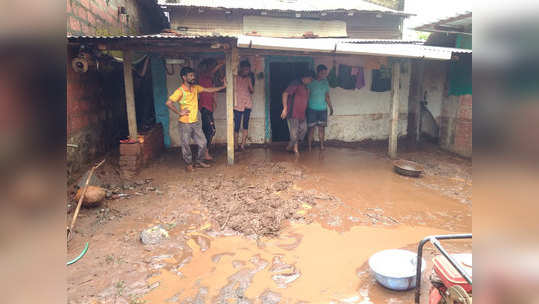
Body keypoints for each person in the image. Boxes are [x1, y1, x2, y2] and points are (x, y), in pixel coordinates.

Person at [166, 67, 226, 172]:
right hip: (185, 123)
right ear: (184, 77)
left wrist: (223, 87)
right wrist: (179, 112)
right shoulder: (180, 91)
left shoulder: (195, 88)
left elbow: (209, 90)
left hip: (195, 122)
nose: (193, 77)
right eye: (191, 75)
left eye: (193, 75)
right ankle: (188, 164)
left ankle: (199, 161)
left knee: (203, 143)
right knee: (186, 145)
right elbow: (168, 103)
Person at [280, 70, 314, 155]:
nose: (311, 81)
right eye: (310, 79)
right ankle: (295, 149)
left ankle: (289, 146)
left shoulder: (306, 87)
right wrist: (285, 108)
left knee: (304, 130)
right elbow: (285, 94)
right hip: (293, 113)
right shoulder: (295, 83)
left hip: (302, 114)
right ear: (305, 78)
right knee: (294, 134)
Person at [197, 58, 225, 161]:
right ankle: (205, 153)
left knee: (208, 131)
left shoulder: (208, 78)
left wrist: (214, 101)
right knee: (210, 131)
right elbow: (211, 71)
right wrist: (220, 64)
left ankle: (205, 152)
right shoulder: (203, 76)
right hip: (205, 108)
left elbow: (211, 91)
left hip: (208, 107)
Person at [307, 64, 334, 151]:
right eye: (322, 73)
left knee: (321, 129)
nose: (324, 75)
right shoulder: (311, 82)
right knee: (311, 129)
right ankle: (310, 147)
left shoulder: (325, 82)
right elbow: (307, 96)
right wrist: (304, 108)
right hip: (312, 109)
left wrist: (331, 107)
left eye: (325, 73)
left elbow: (327, 96)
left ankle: (322, 146)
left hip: (323, 110)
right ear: (318, 72)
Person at [234, 60, 254, 151]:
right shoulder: (234, 77)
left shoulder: (248, 78)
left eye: (248, 70)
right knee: (237, 126)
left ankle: (242, 145)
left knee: (245, 125)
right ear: (241, 69)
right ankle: (235, 145)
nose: (247, 71)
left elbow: (252, 90)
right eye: (246, 69)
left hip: (247, 104)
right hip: (237, 104)